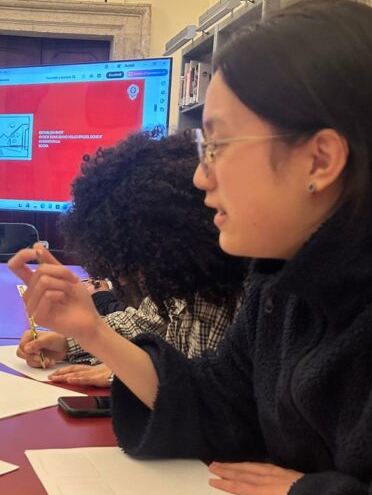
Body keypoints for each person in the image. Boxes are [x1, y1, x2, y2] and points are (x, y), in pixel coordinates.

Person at [10, 0, 372, 495]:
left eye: (217, 146)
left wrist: (309, 494)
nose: (200, 176)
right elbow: (220, 404)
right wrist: (92, 331)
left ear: (320, 159)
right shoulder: (288, 270)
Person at [16, 131, 248, 387]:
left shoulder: (229, 296)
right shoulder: (178, 277)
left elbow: (205, 393)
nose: (124, 279)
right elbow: (143, 323)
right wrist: (69, 343)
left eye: (135, 264)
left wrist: (120, 371)